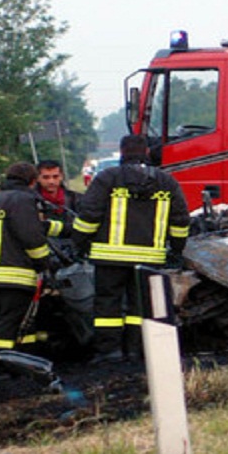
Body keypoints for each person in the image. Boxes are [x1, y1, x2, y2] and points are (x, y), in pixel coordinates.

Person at [72, 134, 190, 363]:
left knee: (108, 306)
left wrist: (79, 243)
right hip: (149, 259)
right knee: (140, 307)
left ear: (122, 151)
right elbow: (180, 221)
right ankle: (135, 351)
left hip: (109, 258)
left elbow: (89, 216)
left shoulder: (107, 178)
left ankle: (109, 352)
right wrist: (176, 251)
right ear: (147, 151)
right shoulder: (166, 182)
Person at [0, 162, 54, 352]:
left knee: (16, 319)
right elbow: (30, 236)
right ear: (32, 181)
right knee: (9, 322)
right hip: (15, 272)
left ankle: (25, 358)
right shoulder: (22, 200)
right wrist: (45, 263)